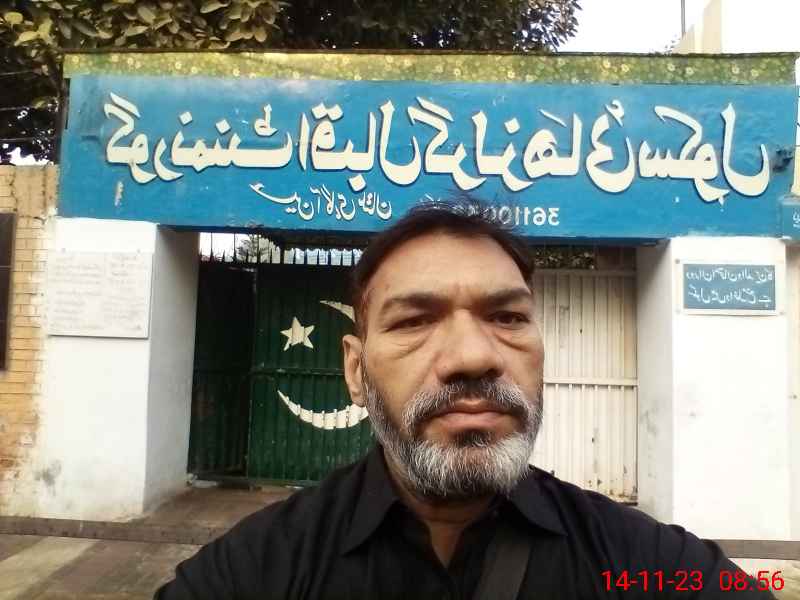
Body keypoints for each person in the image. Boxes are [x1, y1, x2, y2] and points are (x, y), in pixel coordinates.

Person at [155, 202, 774, 599]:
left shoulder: (643, 564)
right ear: (355, 370)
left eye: (507, 317)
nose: (473, 356)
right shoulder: (253, 573)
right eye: (415, 321)